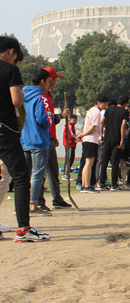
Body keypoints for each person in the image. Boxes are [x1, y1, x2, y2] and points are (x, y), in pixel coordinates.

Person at [0, 37, 51, 241]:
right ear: (12, 52)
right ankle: (24, 229)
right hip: (5, 129)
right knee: (21, 177)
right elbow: (17, 100)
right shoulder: (10, 70)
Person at [21, 69, 55, 215]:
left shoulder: (22, 95)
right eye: (48, 81)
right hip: (39, 140)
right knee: (37, 173)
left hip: (25, 139)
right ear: (43, 81)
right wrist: (56, 118)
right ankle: (33, 204)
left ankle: (22, 204)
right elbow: (44, 119)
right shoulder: (42, 97)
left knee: (25, 175)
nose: (49, 84)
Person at [38, 66, 71, 210]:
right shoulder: (42, 96)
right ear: (49, 80)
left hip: (49, 137)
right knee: (41, 171)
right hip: (42, 139)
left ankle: (56, 198)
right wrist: (60, 116)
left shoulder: (48, 95)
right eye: (55, 78)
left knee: (53, 170)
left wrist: (53, 135)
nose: (56, 81)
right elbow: (45, 118)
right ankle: (38, 200)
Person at [77, 94, 109, 193]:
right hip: (91, 140)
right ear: (99, 103)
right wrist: (82, 134)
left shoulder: (91, 110)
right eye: (105, 104)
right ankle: (86, 186)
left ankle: (84, 184)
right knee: (89, 163)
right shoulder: (96, 113)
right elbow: (92, 128)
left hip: (88, 140)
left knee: (87, 163)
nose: (106, 106)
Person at [99, 95, 129, 191]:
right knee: (115, 162)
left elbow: (102, 122)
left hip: (107, 138)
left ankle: (101, 182)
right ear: (125, 104)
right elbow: (123, 125)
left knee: (105, 160)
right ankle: (114, 184)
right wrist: (122, 140)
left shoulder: (109, 110)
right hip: (117, 139)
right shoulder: (124, 112)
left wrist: (102, 134)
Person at [62, 114, 77, 181]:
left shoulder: (72, 126)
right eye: (74, 120)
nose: (75, 121)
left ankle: (66, 173)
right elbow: (71, 135)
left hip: (71, 144)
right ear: (70, 119)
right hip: (69, 144)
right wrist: (78, 137)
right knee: (69, 158)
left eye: (76, 120)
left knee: (70, 158)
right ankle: (65, 174)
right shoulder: (69, 125)